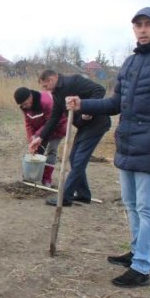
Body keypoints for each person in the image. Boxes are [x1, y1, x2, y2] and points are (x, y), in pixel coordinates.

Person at [66, 7, 150, 287]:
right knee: (131, 205)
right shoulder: (131, 63)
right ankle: (136, 252)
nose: (143, 29)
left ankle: (142, 268)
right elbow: (114, 104)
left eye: (148, 24)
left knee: (147, 207)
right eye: (138, 25)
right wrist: (83, 104)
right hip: (129, 143)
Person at [28, 70, 111, 206]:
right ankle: (83, 194)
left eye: (45, 85)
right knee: (74, 159)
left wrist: (88, 109)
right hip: (84, 127)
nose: (45, 88)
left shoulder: (74, 81)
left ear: (53, 78)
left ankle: (64, 197)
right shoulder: (57, 94)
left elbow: (99, 90)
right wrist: (40, 138)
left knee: (79, 160)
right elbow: (54, 118)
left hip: (97, 124)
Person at [14, 87, 67, 187]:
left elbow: (51, 122)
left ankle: (46, 179)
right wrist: (32, 139)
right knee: (36, 150)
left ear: (30, 97)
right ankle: (32, 176)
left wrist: (37, 135)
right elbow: (28, 124)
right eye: (22, 105)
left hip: (58, 127)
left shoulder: (46, 102)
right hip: (43, 130)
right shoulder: (25, 107)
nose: (24, 107)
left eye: (25, 103)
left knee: (52, 150)